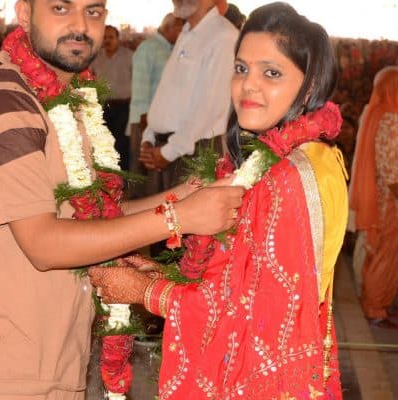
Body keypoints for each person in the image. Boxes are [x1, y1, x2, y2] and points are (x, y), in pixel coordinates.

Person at [0, 0, 245, 398]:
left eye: (93, 11)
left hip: (59, 355)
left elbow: (94, 217)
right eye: (60, 9)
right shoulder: (5, 102)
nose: (80, 26)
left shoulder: (62, 104)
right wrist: (177, 218)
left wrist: (183, 195)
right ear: (23, 14)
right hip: (7, 366)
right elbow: (43, 243)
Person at [89, 3, 348, 398]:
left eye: (272, 73)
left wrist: (144, 291)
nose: (248, 85)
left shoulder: (286, 178)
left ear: (309, 86)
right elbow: (245, 276)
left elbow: (254, 320)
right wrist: (160, 275)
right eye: (241, 68)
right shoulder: (309, 154)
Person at [139, 0, 239, 192]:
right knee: (159, 220)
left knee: (184, 222)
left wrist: (167, 153)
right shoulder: (186, 32)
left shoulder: (223, 36)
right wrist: (149, 135)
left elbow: (210, 107)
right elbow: (167, 92)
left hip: (192, 153)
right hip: (166, 151)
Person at [349, 66, 398, 328]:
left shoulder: (376, 112)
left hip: (381, 196)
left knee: (380, 250)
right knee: (386, 254)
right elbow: (391, 168)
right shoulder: (391, 117)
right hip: (391, 199)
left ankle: (379, 303)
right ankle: (376, 308)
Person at [128, 13, 183, 197]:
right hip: (144, 122)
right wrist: (146, 127)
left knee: (158, 180)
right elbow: (140, 87)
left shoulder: (172, 49)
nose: (183, 32)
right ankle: (134, 219)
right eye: (180, 27)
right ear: (169, 27)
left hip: (164, 124)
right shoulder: (148, 47)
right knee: (142, 176)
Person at [91, 25, 133, 170]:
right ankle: (107, 176)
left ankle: (123, 177)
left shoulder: (129, 56)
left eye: (111, 37)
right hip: (103, 106)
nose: (107, 40)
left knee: (122, 143)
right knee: (103, 142)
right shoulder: (96, 57)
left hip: (123, 106)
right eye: (105, 37)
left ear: (118, 38)